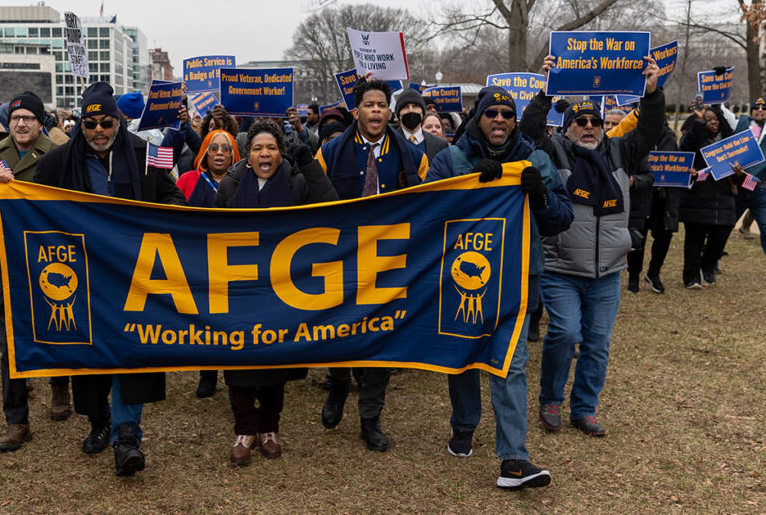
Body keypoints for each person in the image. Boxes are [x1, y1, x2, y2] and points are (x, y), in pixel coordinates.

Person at [33, 82, 185, 476]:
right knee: (90, 355)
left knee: (131, 350)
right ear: (79, 124)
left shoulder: (146, 154)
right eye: (90, 123)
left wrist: (164, 215)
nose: (99, 130)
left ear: (119, 121)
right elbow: (30, 207)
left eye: (106, 122)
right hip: (80, 279)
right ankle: (98, 421)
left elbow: (173, 197)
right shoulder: (56, 163)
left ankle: (127, 434)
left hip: (136, 275)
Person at [426, 85, 573, 490]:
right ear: (479, 117)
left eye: (508, 115)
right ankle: (464, 425)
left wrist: (540, 196)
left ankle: (513, 459)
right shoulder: (451, 159)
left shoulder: (535, 160)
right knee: (466, 352)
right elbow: (428, 217)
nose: (501, 120)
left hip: (518, 281)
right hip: (463, 279)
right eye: (492, 113)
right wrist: (473, 189)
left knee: (511, 362)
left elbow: (562, 220)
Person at [523, 55, 661, 440]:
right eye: (580, 122)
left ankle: (585, 408)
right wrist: (546, 91)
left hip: (606, 273)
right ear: (567, 129)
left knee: (597, 343)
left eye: (595, 122)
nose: (588, 127)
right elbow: (529, 131)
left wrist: (651, 93)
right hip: (562, 268)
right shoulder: (553, 151)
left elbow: (651, 130)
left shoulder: (619, 152)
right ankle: (550, 399)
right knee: (565, 334)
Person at [314, 77, 429, 453]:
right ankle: (338, 385)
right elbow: (313, 196)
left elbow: (429, 198)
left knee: (380, 336)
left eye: (381, 104)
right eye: (369, 104)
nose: (376, 110)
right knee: (339, 331)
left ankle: (370, 418)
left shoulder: (411, 155)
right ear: (357, 111)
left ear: (389, 112)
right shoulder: (331, 151)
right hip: (340, 258)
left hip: (389, 261)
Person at [214, 120, 337, 465]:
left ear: (280, 152)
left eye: (271, 147)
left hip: (282, 290)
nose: (264, 153)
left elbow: (332, 205)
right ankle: (245, 430)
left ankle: (269, 429)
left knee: (274, 363)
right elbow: (207, 233)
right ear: (248, 155)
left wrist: (309, 162)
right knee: (237, 363)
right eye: (257, 148)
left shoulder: (298, 183)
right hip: (239, 290)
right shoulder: (230, 187)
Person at [0, 91, 66, 452]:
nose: (21, 123)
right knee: (9, 344)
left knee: (59, 329)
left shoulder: (58, 154)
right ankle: (17, 419)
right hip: (5, 262)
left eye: (29, 117)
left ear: (40, 121)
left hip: (50, 262)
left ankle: (61, 388)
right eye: (15, 118)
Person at [174, 130, 243, 398]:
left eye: (225, 149)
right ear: (204, 151)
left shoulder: (243, 180)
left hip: (235, 261)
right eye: (213, 147)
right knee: (205, 321)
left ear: (233, 154)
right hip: (198, 262)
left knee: (233, 321)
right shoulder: (189, 180)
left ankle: (234, 373)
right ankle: (207, 373)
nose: (219, 153)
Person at [678, 105, 738, 289]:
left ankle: (708, 264)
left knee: (722, 233)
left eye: (716, 119)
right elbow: (686, 147)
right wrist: (697, 121)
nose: (713, 122)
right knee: (694, 240)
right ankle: (691, 277)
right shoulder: (694, 138)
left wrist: (738, 173)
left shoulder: (730, 142)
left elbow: (740, 170)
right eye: (708, 119)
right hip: (698, 195)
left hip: (723, 195)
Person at [625, 123, 680, 293]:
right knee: (637, 238)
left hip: (663, 200)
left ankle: (653, 273)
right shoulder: (634, 139)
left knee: (664, 237)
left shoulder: (670, 140)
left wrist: (686, 173)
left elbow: (677, 165)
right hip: (640, 196)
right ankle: (633, 276)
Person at [731, 97, 766, 256]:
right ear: (751, 111)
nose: (760, 110)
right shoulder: (741, 124)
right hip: (737, 188)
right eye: (756, 108)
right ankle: (710, 263)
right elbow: (721, 112)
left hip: (760, 190)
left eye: (763, 108)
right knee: (724, 226)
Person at [392, 89, 449, 160]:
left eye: (415, 106)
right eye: (405, 107)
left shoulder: (440, 144)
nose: (411, 110)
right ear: (398, 114)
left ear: (422, 112)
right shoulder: (390, 141)